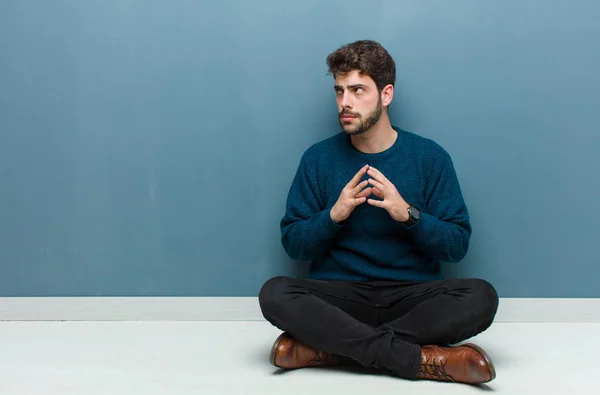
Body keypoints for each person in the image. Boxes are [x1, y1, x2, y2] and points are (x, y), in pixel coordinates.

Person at [258, 40, 499, 384]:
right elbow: (295, 245)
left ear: (386, 95)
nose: (345, 102)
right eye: (339, 91)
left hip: (411, 297)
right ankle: (419, 359)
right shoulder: (317, 159)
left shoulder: (429, 157)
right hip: (340, 297)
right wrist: (334, 216)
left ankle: (330, 349)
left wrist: (408, 215)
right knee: (274, 293)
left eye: (358, 90)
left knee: (481, 296)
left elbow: (456, 245)